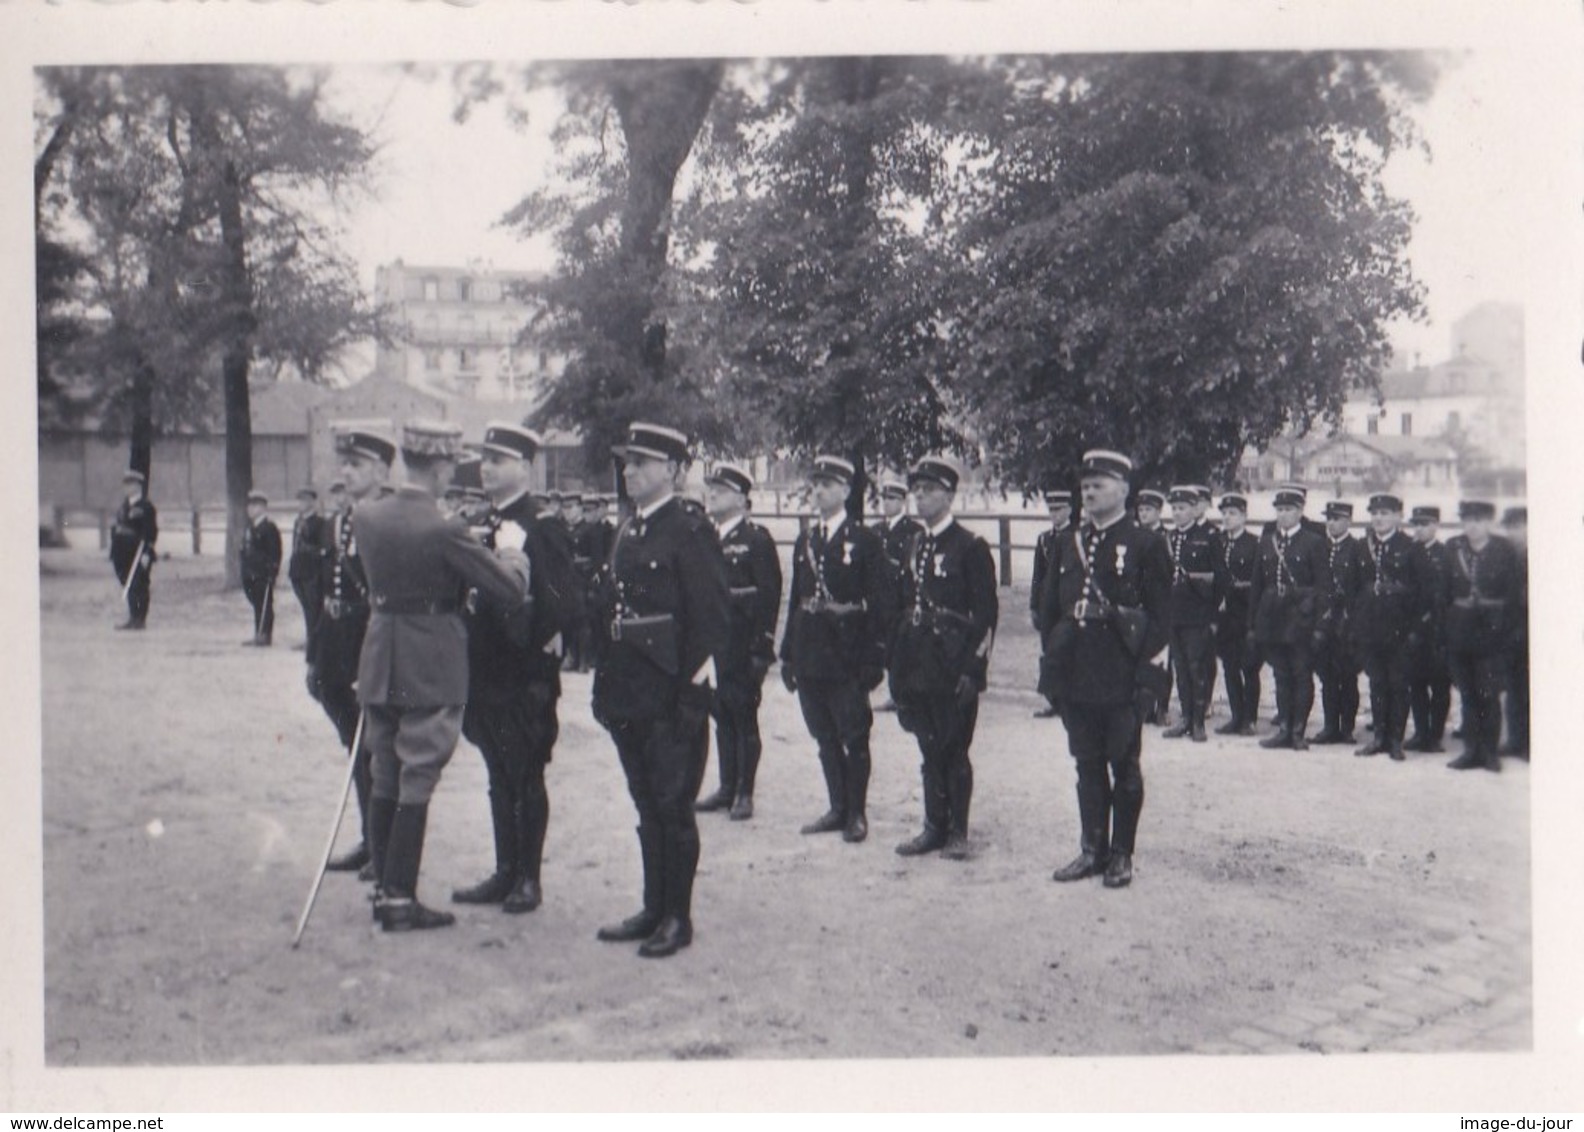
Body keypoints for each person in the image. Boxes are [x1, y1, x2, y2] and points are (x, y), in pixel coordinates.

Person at [355, 419, 531, 933]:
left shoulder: (367, 516)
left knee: (384, 766)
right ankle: (400, 897)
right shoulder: (444, 527)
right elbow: (509, 589)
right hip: (430, 659)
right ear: (439, 466)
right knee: (419, 772)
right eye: (453, 465)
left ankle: (385, 886)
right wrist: (514, 550)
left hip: (381, 653)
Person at [591, 422, 729, 958]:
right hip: (629, 690)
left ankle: (677, 915)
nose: (631, 471)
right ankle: (652, 906)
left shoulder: (689, 530)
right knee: (645, 802)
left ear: (672, 470)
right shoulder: (630, 531)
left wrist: (692, 697)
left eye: (643, 463)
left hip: (670, 694)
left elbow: (711, 620)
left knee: (673, 806)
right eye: (628, 463)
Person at [453, 422, 581, 914]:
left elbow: (563, 601)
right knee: (496, 772)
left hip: (523, 671)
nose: (487, 469)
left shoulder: (541, 524)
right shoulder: (482, 523)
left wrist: (528, 643)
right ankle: (504, 870)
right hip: (483, 668)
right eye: (484, 460)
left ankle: (528, 877)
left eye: (498, 461)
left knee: (525, 773)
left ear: (524, 468)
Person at [1043, 449, 1170, 889]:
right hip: (1078, 673)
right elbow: (1049, 610)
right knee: (1086, 765)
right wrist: (1054, 667)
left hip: (1121, 674)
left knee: (1125, 766)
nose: (1089, 490)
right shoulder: (1067, 542)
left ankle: (1122, 854)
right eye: (1085, 485)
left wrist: (1148, 681)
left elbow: (1160, 618)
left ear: (1124, 490)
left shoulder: (1146, 543)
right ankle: (1091, 850)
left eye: (1099, 483)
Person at [888, 456, 998, 860]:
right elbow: (903, 607)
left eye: (930, 490)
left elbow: (986, 616)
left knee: (954, 748)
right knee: (927, 747)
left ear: (950, 495)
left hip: (953, 665)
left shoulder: (969, 547)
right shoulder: (914, 544)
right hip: (919, 662)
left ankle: (957, 831)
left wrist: (975, 670)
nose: (920, 496)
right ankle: (932, 826)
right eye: (916, 490)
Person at [779, 455, 892, 844]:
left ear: (846, 491)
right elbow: (797, 598)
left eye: (828, 484)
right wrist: (787, 655)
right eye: (816, 484)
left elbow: (880, 604)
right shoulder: (805, 541)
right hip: (810, 651)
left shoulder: (864, 541)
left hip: (847, 653)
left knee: (854, 735)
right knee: (823, 735)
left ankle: (857, 813)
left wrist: (875, 658)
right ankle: (837, 806)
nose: (820, 491)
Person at [311, 427, 394, 878]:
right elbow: (327, 585)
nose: (346, 471)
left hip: (370, 639)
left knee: (378, 749)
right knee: (357, 745)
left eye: (356, 464)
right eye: (344, 463)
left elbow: (383, 593)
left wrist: (374, 660)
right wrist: (316, 656)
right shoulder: (339, 520)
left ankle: (384, 849)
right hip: (337, 641)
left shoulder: (386, 517)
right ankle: (369, 839)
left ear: (382, 471)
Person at [695, 462, 783, 821]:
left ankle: (745, 792)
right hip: (712, 648)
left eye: (721, 489)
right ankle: (727, 786)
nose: (711, 494)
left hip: (741, 646)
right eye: (711, 488)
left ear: (742, 498)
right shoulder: (706, 537)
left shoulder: (755, 540)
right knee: (721, 716)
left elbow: (768, 597)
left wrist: (761, 648)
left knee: (744, 717)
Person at [1350, 493, 1432, 761]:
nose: (1378, 518)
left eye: (1385, 513)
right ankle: (1379, 738)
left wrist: (1415, 631)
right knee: (1376, 684)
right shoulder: (1362, 547)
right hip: (1371, 629)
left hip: (1400, 630)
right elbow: (1354, 590)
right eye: (1374, 513)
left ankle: (1396, 740)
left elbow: (1423, 594)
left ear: (1398, 516)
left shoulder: (1412, 547)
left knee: (1399, 685)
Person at [1248, 483, 1329, 751]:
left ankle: (1298, 731)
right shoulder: (1267, 542)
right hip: (1273, 619)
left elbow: (1322, 587)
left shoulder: (1314, 542)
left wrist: (1319, 626)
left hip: (1301, 620)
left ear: (1300, 511)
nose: (1283, 515)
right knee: (1280, 675)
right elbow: (1257, 585)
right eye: (1279, 509)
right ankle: (1283, 728)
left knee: (1301, 673)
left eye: (1288, 510)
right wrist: (1253, 623)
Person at [1443, 501, 1523, 773]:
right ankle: (1470, 751)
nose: (1472, 526)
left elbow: (1512, 597)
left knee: (1488, 695)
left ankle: (1489, 753)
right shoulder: (1453, 548)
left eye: (1478, 520)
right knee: (1467, 696)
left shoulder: (1504, 551)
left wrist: (1506, 633)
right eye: (1467, 520)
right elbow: (1443, 593)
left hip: (1492, 635)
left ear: (1489, 522)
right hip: (1460, 633)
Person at [1162, 485, 1218, 742]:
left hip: (1198, 614)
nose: (1177, 513)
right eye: (1173, 508)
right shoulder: (1169, 539)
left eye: (1182, 508)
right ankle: (1184, 717)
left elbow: (1220, 579)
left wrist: (1212, 614)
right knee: (1180, 668)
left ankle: (1198, 722)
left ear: (1194, 509)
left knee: (1197, 668)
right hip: (1174, 614)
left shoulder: (1208, 537)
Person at [1311, 501, 1364, 745]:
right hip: (1323, 624)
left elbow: (1361, 589)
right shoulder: (1319, 547)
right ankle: (1330, 726)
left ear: (1348, 521)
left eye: (1337, 518)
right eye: (1328, 518)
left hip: (1347, 624)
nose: (1331, 523)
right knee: (1327, 677)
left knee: (1348, 677)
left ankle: (1347, 728)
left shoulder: (1358, 548)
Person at [1211, 493, 1260, 736]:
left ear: (1244, 516)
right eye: (1224, 513)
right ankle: (1236, 715)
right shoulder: (1218, 542)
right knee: (1229, 667)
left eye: (1232, 514)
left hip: (1245, 613)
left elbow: (1259, 582)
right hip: (1224, 616)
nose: (1227, 518)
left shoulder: (1254, 543)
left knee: (1249, 667)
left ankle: (1250, 719)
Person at [1405, 505, 1452, 753]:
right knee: (1416, 684)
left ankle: (1435, 736)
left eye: (1425, 524)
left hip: (1438, 631)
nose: (1420, 529)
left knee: (1440, 686)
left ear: (1436, 526)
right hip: (1414, 630)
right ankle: (1420, 733)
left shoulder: (1445, 554)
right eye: (1417, 525)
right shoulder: (1410, 553)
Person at [1031, 488, 1074, 719]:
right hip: (1048, 604)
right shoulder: (1045, 539)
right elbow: (1038, 575)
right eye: (1051, 510)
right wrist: (1033, 606)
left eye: (1059, 509)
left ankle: (1069, 699)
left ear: (1069, 510)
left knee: (1069, 650)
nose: (1055, 514)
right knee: (1048, 650)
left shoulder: (1076, 537)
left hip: (1067, 603)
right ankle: (1053, 699)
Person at [109, 469, 158, 631]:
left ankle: (140, 619)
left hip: (138, 551)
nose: (127, 488)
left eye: (130, 484)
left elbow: (150, 531)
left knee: (139, 584)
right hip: (122, 551)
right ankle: (132, 617)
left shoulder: (146, 506)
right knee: (127, 583)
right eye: (125, 484)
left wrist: (147, 552)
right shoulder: (124, 505)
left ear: (138, 486)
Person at [1499, 506, 1529, 757]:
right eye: (1508, 527)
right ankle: (1516, 740)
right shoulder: (1507, 557)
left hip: (1533, 631)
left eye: (1517, 527)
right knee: (1513, 688)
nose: (1512, 533)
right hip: (1511, 632)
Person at [239, 491, 282, 647]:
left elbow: (274, 552)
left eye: (255, 505)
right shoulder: (250, 527)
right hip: (250, 573)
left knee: (264, 604)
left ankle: (265, 634)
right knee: (257, 604)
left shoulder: (269, 528)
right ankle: (258, 631)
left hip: (262, 574)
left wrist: (272, 572)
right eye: (249, 505)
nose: (250, 509)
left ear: (263, 507)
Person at [288, 487, 329, 650]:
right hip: (298, 569)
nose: (302, 503)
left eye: (305, 500)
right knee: (305, 606)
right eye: (300, 500)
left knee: (314, 607)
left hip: (312, 571)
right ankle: (309, 637)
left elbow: (322, 547)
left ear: (312, 502)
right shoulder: (298, 521)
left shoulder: (319, 522)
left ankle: (315, 640)